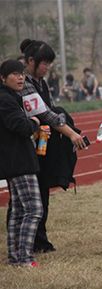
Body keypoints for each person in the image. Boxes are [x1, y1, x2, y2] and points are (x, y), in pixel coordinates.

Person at [18, 39, 86, 253]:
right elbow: (43, 114)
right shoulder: (25, 83)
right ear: (31, 61)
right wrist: (71, 134)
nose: (47, 68)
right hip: (24, 145)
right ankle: (29, 242)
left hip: (41, 144)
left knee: (42, 192)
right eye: (45, 63)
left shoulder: (41, 82)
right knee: (29, 199)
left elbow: (50, 112)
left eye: (49, 63)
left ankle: (39, 240)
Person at [0, 59, 43, 267]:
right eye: (15, 74)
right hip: (19, 162)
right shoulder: (5, 100)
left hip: (14, 162)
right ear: (2, 78)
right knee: (33, 209)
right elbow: (21, 126)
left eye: (22, 74)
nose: (20, 77)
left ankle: (15, 256)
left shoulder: (10, 97)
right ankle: (25, 257)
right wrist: (34, 123)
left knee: (18, 211)